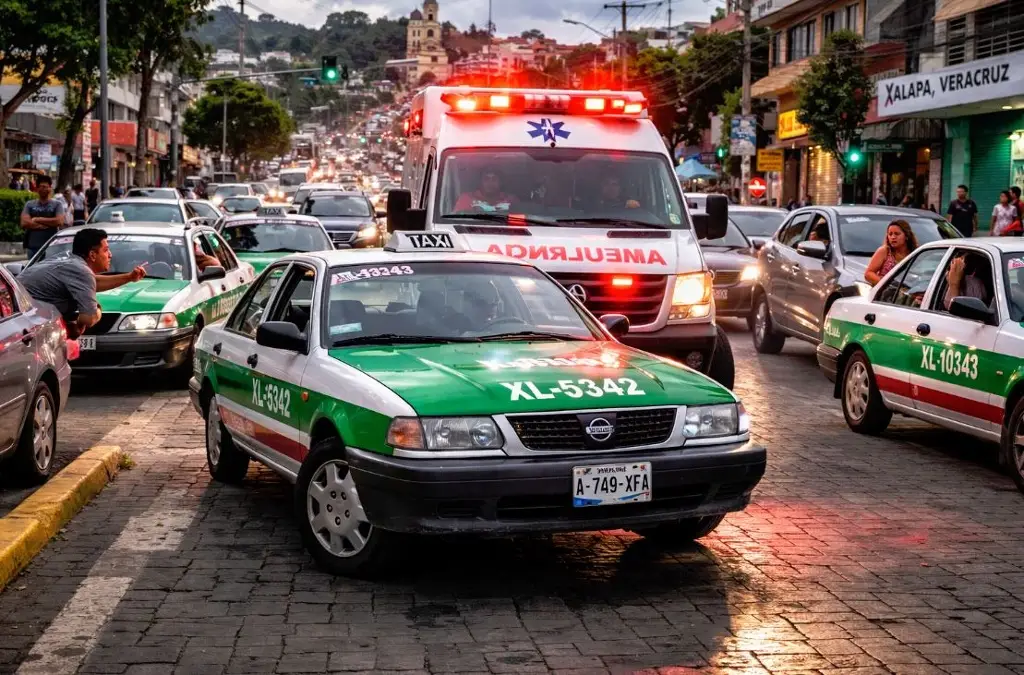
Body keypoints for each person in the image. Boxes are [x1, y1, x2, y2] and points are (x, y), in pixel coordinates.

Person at [18, 228, 146, 339]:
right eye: (106, 250)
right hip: (22, 325)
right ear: (92, 255)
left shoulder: (70, 261)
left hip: (21, 320)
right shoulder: (81, 271)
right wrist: (98, 309)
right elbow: (88, 318)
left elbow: (93, 282)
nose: (110, 255)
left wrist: (129, 277)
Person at [19, 176, 67, 259]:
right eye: (41, 187)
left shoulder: (57, 204)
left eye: (45, 187)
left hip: (51, 247)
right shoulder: (29, 204)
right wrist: (47, 224)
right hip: (32, 247)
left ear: (50, 188)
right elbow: (24, 222)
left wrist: (38, 219)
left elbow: (59, 221)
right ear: (37, 189)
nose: (43, 189)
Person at [865, 219, 918, 285]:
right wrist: (885, 284)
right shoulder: (884, 251)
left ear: (906, 236)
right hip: (885, 293)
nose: (893, 237)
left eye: (897, 234)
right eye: (890, 234)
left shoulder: (916, 253)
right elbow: (868, 274)